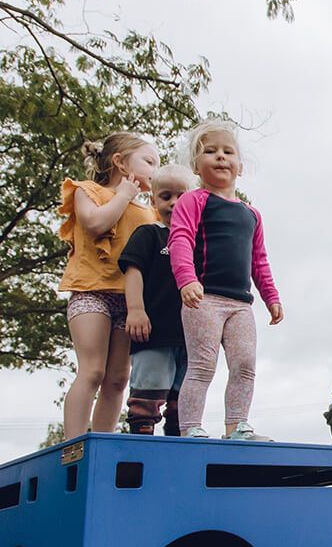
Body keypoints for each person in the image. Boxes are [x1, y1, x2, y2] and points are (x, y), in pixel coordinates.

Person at [169, 118, 283, 440]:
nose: (220, 157)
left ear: (240, 166)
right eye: (210, 151)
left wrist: (271, 297)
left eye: (228, 151)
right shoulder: (194, 201)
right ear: (195, 164)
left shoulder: (251, 214)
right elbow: (180, 240)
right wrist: (186, 279)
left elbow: (258, 260)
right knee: (203, 365)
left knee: (245, 363)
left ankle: (237, 427)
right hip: (203, 298)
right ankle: (191, 427)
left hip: (240, 304)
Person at [58, 133, 160, 439]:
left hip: (129, 303)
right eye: (149, 161)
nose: (156, 169)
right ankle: (73, 444)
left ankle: (103, 442)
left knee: (118, 378)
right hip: (91, 293)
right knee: (92, 370)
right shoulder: (87, 191)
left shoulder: (149, 212)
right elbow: (96, 223)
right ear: (120, 161)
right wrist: (124, 194)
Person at [120, 164, 194, 435]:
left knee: (184, 405)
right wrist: (136, 310)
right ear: (153, 200)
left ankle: (181, 454)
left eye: (181, 196)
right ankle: (140, 451)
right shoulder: (149, 234)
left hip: (190, 336)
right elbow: (133, 271)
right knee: (146, 401)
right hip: (154, 333)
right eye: (166, 196)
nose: (174, 203)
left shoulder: (200, 242)